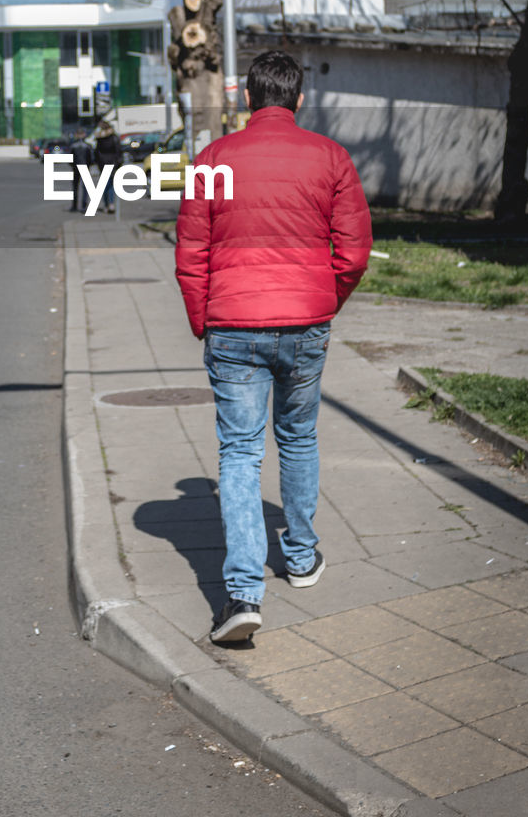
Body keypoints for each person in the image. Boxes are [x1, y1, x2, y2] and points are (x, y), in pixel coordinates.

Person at [175, 51, 372, 644]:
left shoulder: (212, 160)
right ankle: (302, 556)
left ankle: (241, 593)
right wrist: (323, 300)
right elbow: (354, 251)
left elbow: (191, 254)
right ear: (299, 99)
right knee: (299, 435)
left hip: (234, 323)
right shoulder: (331, 158)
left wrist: (202, 319)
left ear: (245, 99)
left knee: (240, 452)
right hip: (305, 323)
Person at [93, 121, 121, 214]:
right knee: (111, 185)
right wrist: (117, 163)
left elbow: (96, 153)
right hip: (112, 163)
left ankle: (106, 204)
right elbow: (118, 151)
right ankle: (111, 204)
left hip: (102, 164)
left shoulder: (99, 139)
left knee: (104, 185)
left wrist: (98, 163)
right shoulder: (114, 138)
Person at [69, 128, 94, 213]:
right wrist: (89, 165)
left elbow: (70, 158)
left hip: (75, 167)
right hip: (85, 167)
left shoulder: (73, 146)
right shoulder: (88, 146)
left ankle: (74, 206)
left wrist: (72, 165)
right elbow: (91, 158)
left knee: (75, 187)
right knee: (85, 188)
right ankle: (84, 206)